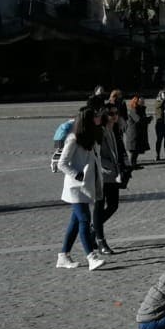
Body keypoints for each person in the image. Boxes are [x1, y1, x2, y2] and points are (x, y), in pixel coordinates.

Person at [55, 107, 107, 269]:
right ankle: (91, 257)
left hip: (85, 186)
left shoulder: (90, 137)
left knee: (76, 222)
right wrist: (76, 174)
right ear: (89, 120)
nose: (99, 117)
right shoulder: (73, 138)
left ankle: (63, 255)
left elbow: (93, 160)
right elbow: (61, 163)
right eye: (96, 115)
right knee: (84, 220)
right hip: (75, 187)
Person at [93, 104, 131, 254]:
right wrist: (112, 168)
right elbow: (97, 155)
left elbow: (120, 150)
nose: (114, 116)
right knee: (99, 206)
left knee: (113, 205)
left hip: (114, 174)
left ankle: (93, 229)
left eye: (116, 113)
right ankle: (100, 240)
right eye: (111, 113)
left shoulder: (114, 129)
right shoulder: (100, 131)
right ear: (104, 114)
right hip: (103, 174)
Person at [125, 94, 151, 168]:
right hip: (134, 133)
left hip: (139, 133)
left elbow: (141, 119)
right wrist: (148, 119)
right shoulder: (134, 109)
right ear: (137, 101)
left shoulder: (141, 109)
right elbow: (138, 120)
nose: (143, 101)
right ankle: (132, 165)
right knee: (134, 150)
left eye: (143, 100)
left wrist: (147, 119)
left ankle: (134, 164)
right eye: (141, 100)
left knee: (136, 150)